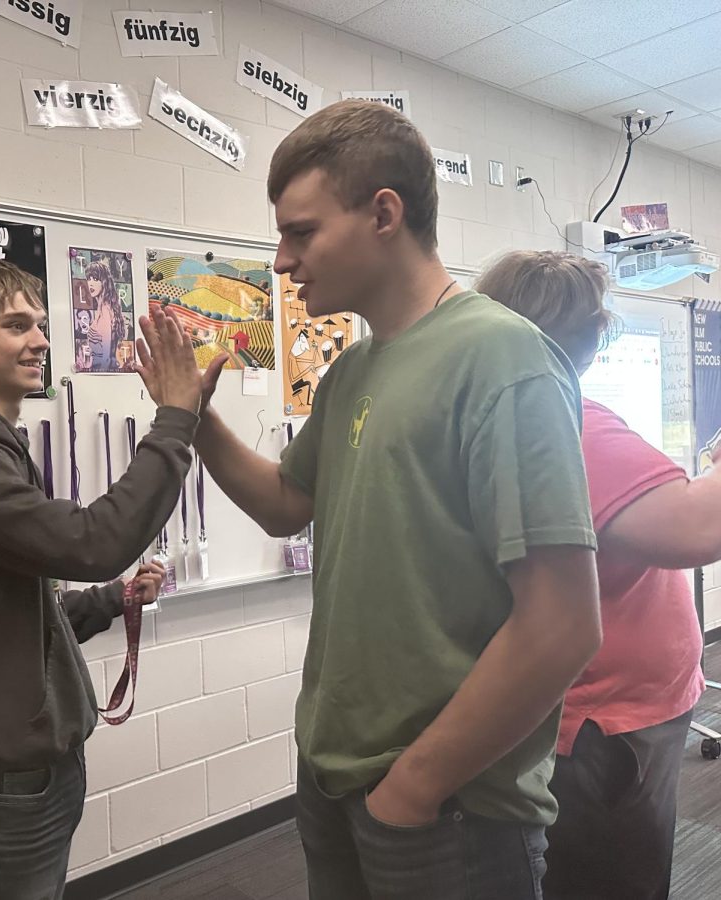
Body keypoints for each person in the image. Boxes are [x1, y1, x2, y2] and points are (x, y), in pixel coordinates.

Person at [174, 100, 602, 898]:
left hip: (449, 807)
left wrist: (414, 786)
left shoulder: (504, 358)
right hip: (336, 783)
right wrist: (194, 420)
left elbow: (563, 624)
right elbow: (284, 506)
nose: (280, 261)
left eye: (301, 232)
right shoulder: (355, 370)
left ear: (383, 214)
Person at [0, 256, 200, 899]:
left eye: (39, 325)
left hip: (35, 773)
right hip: (3, 783)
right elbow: (93, 542)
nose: (40, 340)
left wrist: (111, 600)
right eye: (15, 326)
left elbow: (20, 617)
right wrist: (176, 421)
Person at [478, 250, 711, 900]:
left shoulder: (513, 412)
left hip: (588, 715)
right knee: (614, 883)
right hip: (603, 727)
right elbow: (699, 529)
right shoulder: (565, 419)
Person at [85, 259, 125, 372]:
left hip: (101, 370)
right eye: (89, 279)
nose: (91, 283)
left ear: (104, 282)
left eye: (96, 279)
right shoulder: (106, 308)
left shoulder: (105, 311)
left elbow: (106, 357)